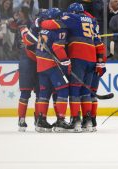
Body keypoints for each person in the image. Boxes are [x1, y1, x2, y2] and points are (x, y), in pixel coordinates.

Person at [37, 2, 103, 132]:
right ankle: (88, 121)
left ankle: (75, 120)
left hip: (79, 57)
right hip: (92, 58)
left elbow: (55, 23)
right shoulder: (91, 20)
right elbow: (99, 42)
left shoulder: (71, 17)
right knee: (86, 91)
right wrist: (101, 61)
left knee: (74, 90)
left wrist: (40, 23)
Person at [31, 8, 72, 133]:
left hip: (40, 64)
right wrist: (66, 61)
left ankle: (41, 121)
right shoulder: (59, 28)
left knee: (44, 92)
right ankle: (60, 121)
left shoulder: (42, 28)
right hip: (51, 64)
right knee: (63, 90)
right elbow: (58, 47)